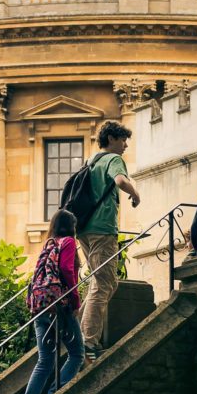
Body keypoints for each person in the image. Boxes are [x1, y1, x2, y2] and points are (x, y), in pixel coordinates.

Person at [78, 121, 141, 362]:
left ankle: (77, 333)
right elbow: (120, 181)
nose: (125, 145)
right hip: (103, 228)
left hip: (84, 229)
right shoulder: (113, 159)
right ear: (112, 138)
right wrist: (135, 194)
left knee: (103, 282)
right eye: (123, 139)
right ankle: (87, 341)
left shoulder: (91, 161)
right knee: (104, 284)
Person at [23, 209, 85, 394]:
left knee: (45, 360)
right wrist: (75, 299)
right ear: (70, 226)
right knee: (77, 354)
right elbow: (66, 269)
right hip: (59, 305)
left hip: (41, 306)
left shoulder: (48, 244)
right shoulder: (68, 242)